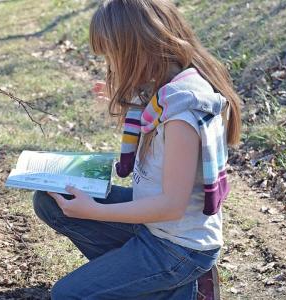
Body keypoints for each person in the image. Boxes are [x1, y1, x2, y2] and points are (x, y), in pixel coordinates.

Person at [32, 0, 242, 298]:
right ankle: (148, 282)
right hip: (154, 228)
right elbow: (151, 118)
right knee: (50, 200)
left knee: (68, 294)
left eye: (112, 57)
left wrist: (94, 212)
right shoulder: (167, 91)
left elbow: (171, 206)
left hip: (178, 248)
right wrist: (123, 102)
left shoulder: (183, 113)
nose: (110, 67)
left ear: (136, 51)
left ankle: (180, 288)